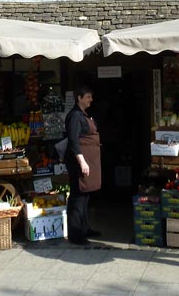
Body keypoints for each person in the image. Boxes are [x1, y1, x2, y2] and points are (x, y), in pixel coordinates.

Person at [64, 84, 102, 244]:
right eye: (88, 97)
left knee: (85, 196)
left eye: (91, 97)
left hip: (88, 160)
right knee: (77, 197)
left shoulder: (84, 115)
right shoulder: (74, 116)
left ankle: (85, 228)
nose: (90, 100)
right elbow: (73, 140)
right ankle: (76, 234)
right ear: (79, 98)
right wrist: (82, 162)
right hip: (79, 162)